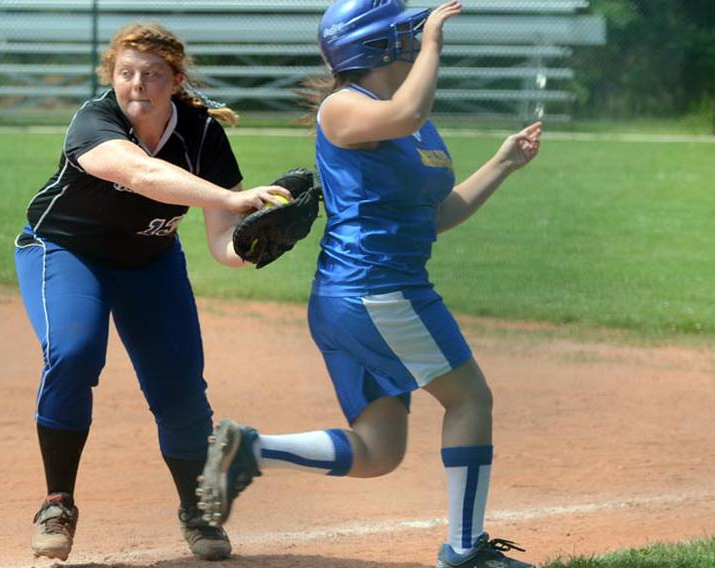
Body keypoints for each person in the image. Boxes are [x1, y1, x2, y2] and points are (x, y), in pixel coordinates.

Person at [197, 2, 542, 567]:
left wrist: (502, 164)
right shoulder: (344, 108)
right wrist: (434, 44)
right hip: (378, 289)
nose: (413, 37)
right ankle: (465, 551)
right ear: (378, 46)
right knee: (470, 399)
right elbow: (407, 113)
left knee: (379, 451)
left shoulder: (407, 116)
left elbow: (436, 214)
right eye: (405, 32)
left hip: (368, 294)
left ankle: (251, 450)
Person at [14, 22, 291, 562]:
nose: (137, 84)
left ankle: (196, 510)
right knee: (72, 353)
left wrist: (255, 247)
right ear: (111, 78)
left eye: (151, 74)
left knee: (181, 389)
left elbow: (221, 246)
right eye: (126, 73)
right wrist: (234, 201)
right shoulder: (95, 120)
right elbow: (140, 173)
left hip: (149, 262)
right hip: (65, 252)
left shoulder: (203, 133)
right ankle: (57, 503)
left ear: (176, 80)